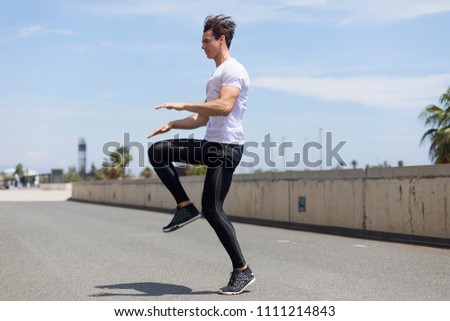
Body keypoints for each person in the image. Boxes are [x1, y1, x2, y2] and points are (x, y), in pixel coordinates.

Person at [147, 14, 255, 295]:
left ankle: (242, 271)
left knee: (213, 210)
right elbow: (202, 119)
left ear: (221, 40)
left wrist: (182, 104)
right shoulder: (217, 74)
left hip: (226, 149)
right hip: (212, 146)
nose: (202, 46)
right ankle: (184, 206)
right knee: (158, 151)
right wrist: (173, 124)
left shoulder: (233, 70)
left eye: (206, 41)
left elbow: (223, 107)